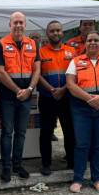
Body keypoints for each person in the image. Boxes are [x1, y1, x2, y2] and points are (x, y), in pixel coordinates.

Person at [0, 11, 41, 183]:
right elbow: (0, 71)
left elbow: (37, 70)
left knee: (21, 132)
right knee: (7, 132)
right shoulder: (1, 44)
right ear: (10, 25)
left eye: (21, 22)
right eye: (15, 22)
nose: (18, 25)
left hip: (27, 96)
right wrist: (17, 90)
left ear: (25, 25)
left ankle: (17, 164)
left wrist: (29, 89)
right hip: (8, 96)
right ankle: (6, 168)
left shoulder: (33, 44)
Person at [66, 30, 99, 193]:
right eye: (90, 40)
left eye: (96, 40)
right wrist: (91, 100)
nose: (93, 43)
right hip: (81, 108)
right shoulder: (75, 61)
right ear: (85, 43)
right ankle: (78, 179)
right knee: (82, 144)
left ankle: (97, 179)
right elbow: (70, 84)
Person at [38, 21, 76, 176]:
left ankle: (72, 162)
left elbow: (76, 74)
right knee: (46, 132)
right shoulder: (40, 52)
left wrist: (63, 89)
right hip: (47, 97)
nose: (55, 33)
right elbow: (37, 74)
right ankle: (46, 164)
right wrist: (52, 89)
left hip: (67, 97)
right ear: (47, 33)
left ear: (62, 32)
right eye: (52, 31)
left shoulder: (72, 51)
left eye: (58, 30)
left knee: (69, 131)